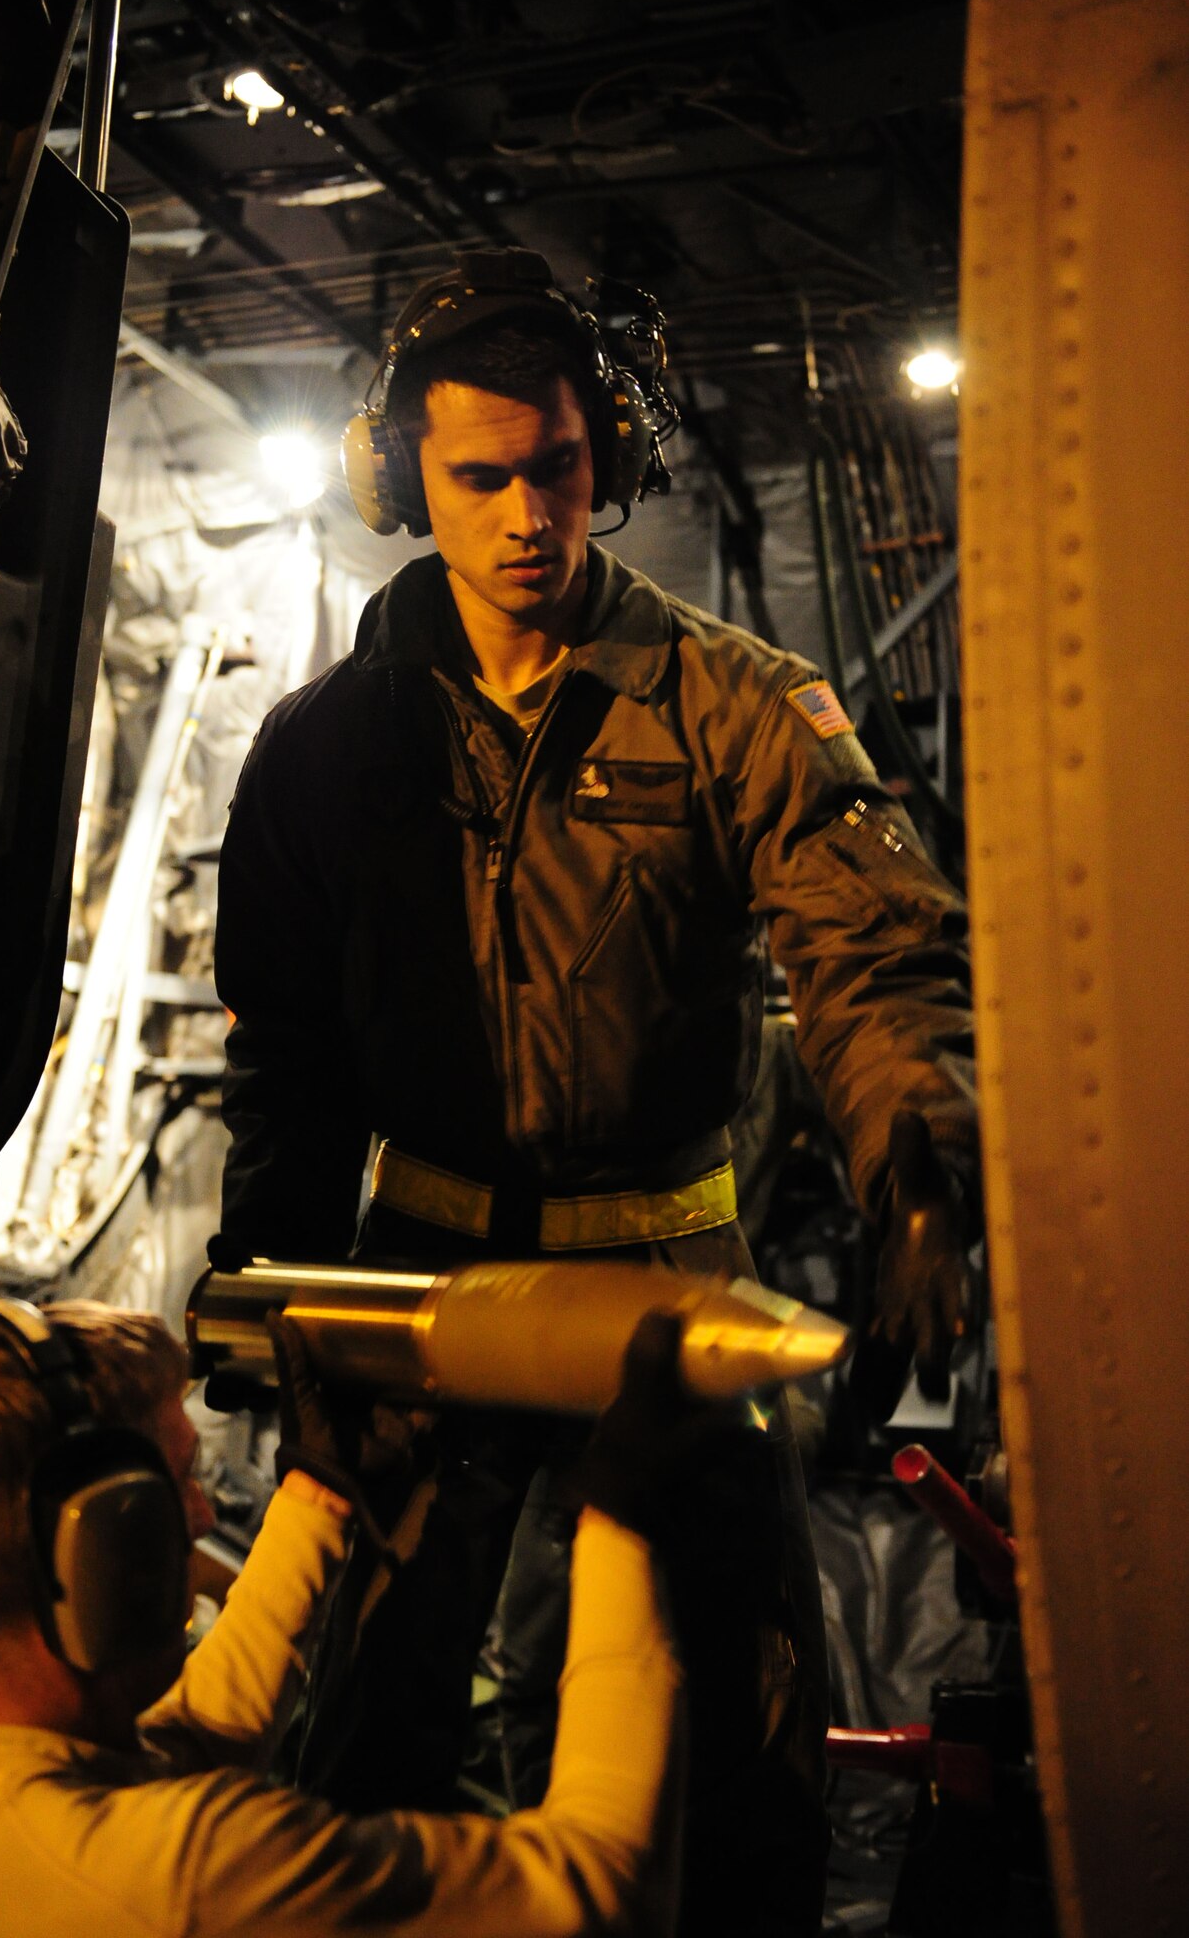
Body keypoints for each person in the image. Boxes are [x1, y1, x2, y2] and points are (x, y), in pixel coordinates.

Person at [214, 248, 979, 1934]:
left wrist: (916, 1168)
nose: (521, 516)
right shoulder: (326, 750)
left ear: (607, 459)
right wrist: (271, 1295)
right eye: (477, 476)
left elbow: (875, 959)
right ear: (402, 476)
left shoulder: (738, 710)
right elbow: (285, 1056)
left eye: (553, 468)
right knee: (373, 1722)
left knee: (746, 1710)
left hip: (665, 1287)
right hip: (424, 1287)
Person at [0, 1295, 697, 1937]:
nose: (197, 1517)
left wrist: (317, 1497)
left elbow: (179, 1746)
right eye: (176, 1484)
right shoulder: (193, 1875)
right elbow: (606, 1887)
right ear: (95, 1544)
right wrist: (620, 1526)